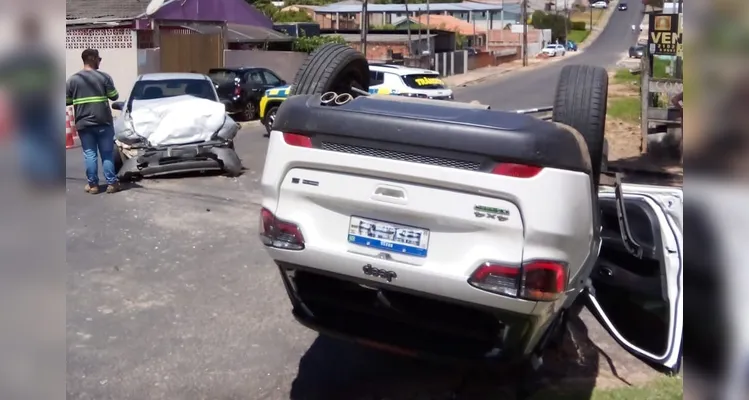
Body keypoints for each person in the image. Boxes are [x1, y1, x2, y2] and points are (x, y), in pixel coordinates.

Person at [66, 48, 120, 194]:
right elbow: (114, 96)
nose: (100, 61)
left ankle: (93, 185)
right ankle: (112, 183)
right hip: (104, 122)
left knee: (90, 154)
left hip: (84, 123)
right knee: (107, 153)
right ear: (93, 59)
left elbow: (66, 101)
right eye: (99, 59)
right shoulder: (104, 78)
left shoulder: (72, 80)